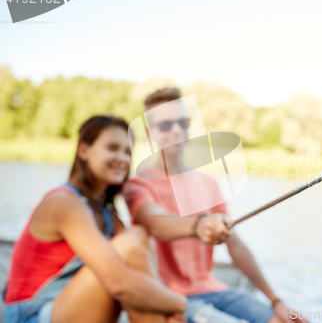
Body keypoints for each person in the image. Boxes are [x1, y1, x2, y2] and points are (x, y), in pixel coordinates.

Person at [123, 88, 309, 323]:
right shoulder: (138, 185)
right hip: (172, 297)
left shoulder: (209, 183)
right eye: (166, 125)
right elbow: (155, 223)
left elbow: (236, 245)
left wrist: (276, 301)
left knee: (284, 320)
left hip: (214, 288)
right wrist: (200, 224)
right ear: (150, 132)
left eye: (183, 122)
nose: (177, 131)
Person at [2, 115, 189, 323]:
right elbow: (119, 282)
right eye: (112, 148)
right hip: (30, 315)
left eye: (128, 152)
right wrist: (180, 304)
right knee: (132, 243)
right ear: (84, 151)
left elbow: (139, 268)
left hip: (65, 310)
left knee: (138, 239)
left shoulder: (107, 213)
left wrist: (166, 309)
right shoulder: (64, 202)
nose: (123, 158)